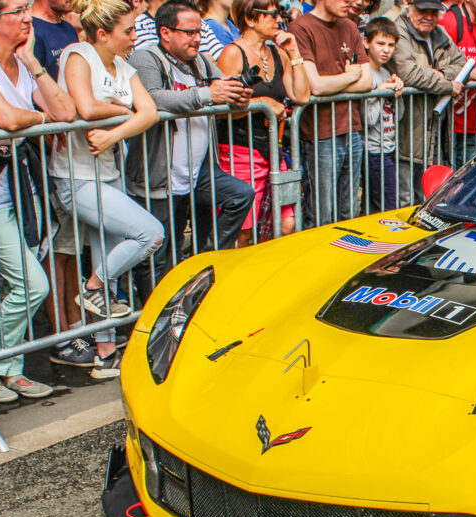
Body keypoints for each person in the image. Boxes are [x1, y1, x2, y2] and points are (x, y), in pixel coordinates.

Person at [52, 0, 163, 378]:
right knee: (151, 233)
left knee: (109, 256)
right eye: (128, 31)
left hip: (108, 170)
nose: (135, 37)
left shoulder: (126, 64)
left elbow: (149, 113)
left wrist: (114, 131)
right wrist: (120, 106)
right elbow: (84, 107)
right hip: (76, 176)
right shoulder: (78, 55)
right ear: (103, 33)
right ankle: (92, 286)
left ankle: (104, 353)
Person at [125, 0, 255, 298]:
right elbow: (154, 98)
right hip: (158, 175)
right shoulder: (146, 58)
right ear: (166, 33)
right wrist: (207, 94)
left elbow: (223, 92)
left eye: (199, 31)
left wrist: (238, 96)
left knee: (240, 194)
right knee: (158, 255)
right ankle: (154, 314)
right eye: (189, 32)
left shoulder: (201, 60)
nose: (197, 38)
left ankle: (205, 261)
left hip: (199, 172)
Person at [0, 0, 76, 402]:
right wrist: (39, 119)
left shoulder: (21, 64)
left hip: (24, 190)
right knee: (31, 284)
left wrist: (34, 64)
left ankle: (9, 368)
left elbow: (67, 111)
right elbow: (5, 119)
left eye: (26, 8)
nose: (27, 18)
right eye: (17, 11)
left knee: (17, 283)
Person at [217, 0, 309, 245]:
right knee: (244, 231)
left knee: (287, 224)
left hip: (272, 151)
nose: (279, 19)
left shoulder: (278, 54)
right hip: (239, 152)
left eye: (279, 14)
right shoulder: (232, 53)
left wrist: (295, 52)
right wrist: (264, 103)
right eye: (271, 15)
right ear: (250, 19)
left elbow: (301, 95)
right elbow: (219, 110)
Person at [32, 0, 93, 367]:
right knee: (58, 247)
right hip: (51, 157)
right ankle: (61, 336)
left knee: (71, 249)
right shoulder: (33, 32)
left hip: (74, 155)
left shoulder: (67, 28)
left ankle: (75, 325)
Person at [290, 0, 372, 225]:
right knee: (321, 214)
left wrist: (332, 84)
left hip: (352, 128)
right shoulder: (301, 27)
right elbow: (314, 86)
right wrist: (350, 76)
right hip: (319, 133)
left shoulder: (350, 26)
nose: (352, 2)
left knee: (349, 212)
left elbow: (367, 82)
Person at [386, 0, 466, 203]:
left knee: (430, 196)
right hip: (405, 129)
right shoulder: (399, 30)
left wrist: (439, 74)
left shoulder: (440, 32)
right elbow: (408, 72)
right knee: (403, 199)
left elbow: (461, 63)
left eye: (434, 12)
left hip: (434, 130)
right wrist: (448, 85)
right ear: (409, 8)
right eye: (423, 11)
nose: (429, 17)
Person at [439, 0, 476, 168]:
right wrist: (472, 74)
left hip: (474, 123)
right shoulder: (449, 22)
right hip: (447, 123)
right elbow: (436, 68)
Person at [363, 17, 403, 211]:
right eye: (380, 43)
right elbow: (368, 119)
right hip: (373, 151)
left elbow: (399, 115)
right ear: (366, 42)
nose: (386, 50)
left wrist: (397, 92)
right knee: (389, 204)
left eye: (391, 45)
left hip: (389, 146)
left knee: (378, 204)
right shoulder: (364, 74)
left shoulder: (387, 73)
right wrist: (380, 92)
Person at [135, 0, 227, 57]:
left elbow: (223, 61)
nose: (197, 38)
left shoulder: (199, 22)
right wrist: (204, 61)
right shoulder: (140, 26)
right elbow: (159, 64)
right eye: (189, 32)